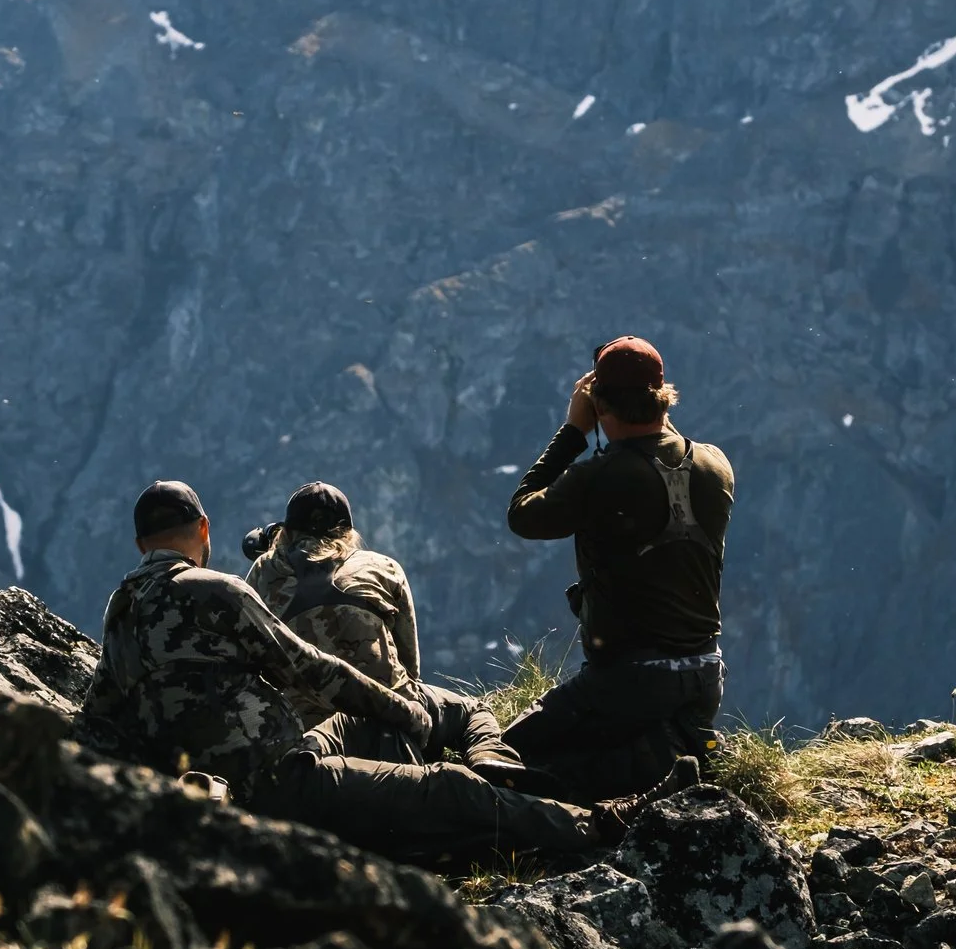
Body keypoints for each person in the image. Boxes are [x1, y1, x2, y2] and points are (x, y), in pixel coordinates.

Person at [76, 478, 632, 867]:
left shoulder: (119, 611)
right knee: (449, 788)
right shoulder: (215, 589)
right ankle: (597, 825)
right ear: (203, 528)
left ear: (138, 543)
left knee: (377, 741)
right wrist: (402, 708)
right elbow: (309, 667)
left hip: (273, 756)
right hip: (281, 778)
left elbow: (98, 718)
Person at [504, 335, 734, 801]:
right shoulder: (715, 463)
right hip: (706, 675)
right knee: (612, 742)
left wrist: (572, 432)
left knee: (505, 755)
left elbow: (523, 514)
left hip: (629, 680)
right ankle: (671, 751)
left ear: (597, 401)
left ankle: (649, 763)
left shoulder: (600, 475)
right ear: (663, 394)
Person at [245, 480, 523, 782]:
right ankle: (490, 757)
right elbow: (409, 665)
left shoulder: (263, 571)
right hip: (391, 713)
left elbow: (254, 657)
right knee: (472, 710)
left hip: (305, 728)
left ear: (288, 531)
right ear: (348, 531)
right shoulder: (381, 566)